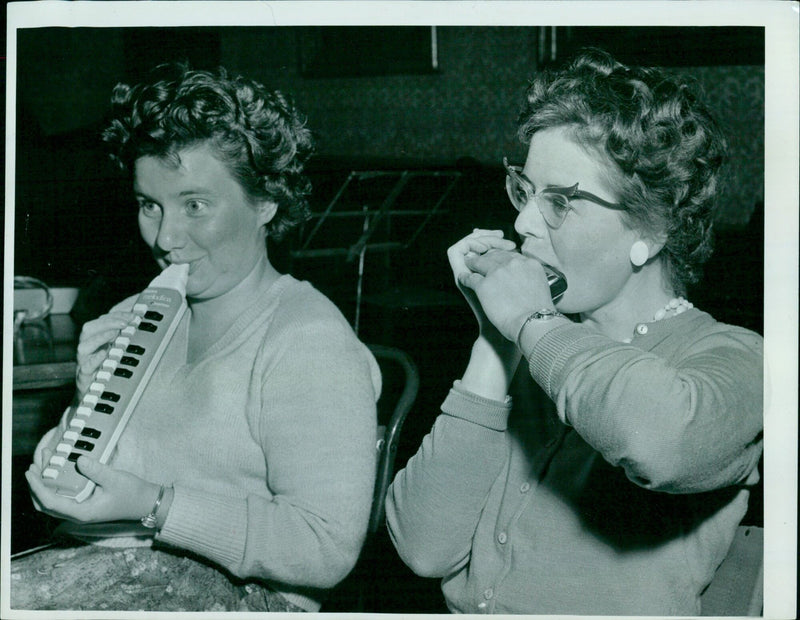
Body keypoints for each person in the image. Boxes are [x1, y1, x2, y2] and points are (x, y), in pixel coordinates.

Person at [385, 48, 763, 616]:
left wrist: (532, 324)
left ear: (650, 228)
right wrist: (494, 341)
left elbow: (660, 441)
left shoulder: (737, 357)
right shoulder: (531, 345)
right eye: (525, 190)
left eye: (560, 202)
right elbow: (422, 546)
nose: (522, 223)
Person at [12, 64, 381, 613]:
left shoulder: (307, 340)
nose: (165, 237)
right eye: (149, 205)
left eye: (195, 205)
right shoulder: (136, 316)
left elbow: (324, 549)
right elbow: (65, 502)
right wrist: (85, 406)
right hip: (103, 568)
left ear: (266, 202)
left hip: (241, 597)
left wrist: (155, 507)